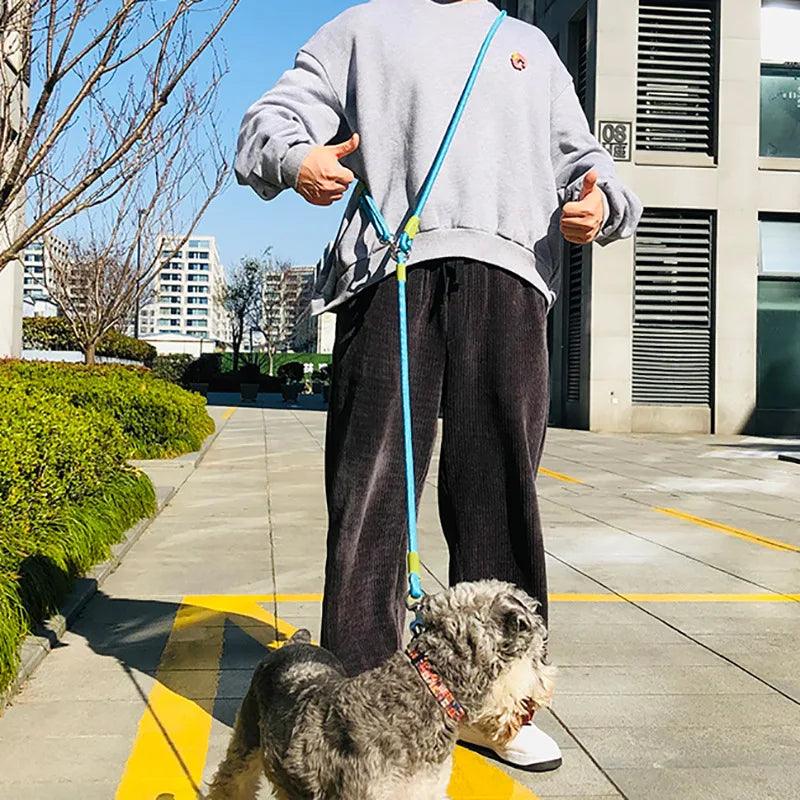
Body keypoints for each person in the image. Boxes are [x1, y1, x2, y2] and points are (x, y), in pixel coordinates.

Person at [236, 0, 642, 773]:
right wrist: (296, 160)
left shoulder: (526, 47)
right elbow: (271, 116)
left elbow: (592, 167)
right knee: (371, 502)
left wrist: (600, 204)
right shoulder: (362, 30)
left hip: (511, 278)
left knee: (500, 497)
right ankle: (356, 704)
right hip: (390, 273)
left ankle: (500, 704)